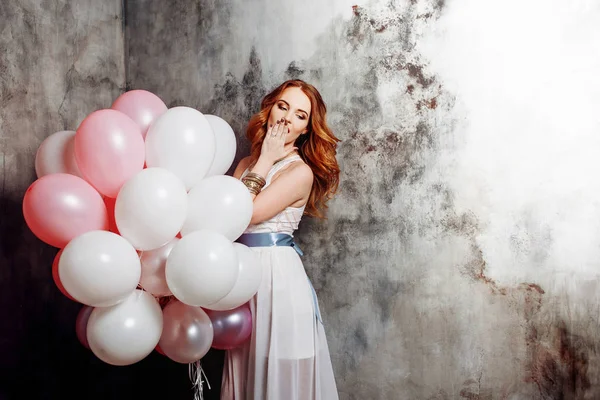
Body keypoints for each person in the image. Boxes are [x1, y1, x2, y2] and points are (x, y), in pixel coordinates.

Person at [221, 79, 341, 400]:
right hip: (240, 278)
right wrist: (261, 159)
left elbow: (245, 214)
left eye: (300, 115)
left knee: (278, 376)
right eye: (283, 107)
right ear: (270, 110)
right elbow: (223, 220)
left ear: (305, 130)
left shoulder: (300, 172)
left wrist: (266, 160)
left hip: (278, 282)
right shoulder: (247, 163)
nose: (287, 118)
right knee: (246, 370)